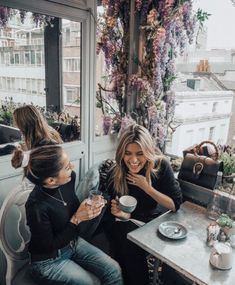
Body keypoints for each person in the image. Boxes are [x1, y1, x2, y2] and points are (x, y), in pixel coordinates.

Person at [11, 145, 123, 285]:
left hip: (72, 243)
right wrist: (77, 219)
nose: (73, 166)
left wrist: (90, 206)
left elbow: (70, 209)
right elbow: (48, 245)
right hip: (47, 262)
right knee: (92, 283)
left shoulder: (68, 179)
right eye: (67, 167)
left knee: (114, 270)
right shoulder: (36, 207)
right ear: (51, 180)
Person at [95, 124, 183, 285]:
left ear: (148, 153)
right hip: (126, 222)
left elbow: (174, 204)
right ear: (122, 153)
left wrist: (147, 188)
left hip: (151, 221)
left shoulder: (161, 166)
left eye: (140, 154)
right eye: (128, 153)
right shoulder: (116, 172)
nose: (133, 160)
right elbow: (119, 212)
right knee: (127, 241)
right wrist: (121, 214)